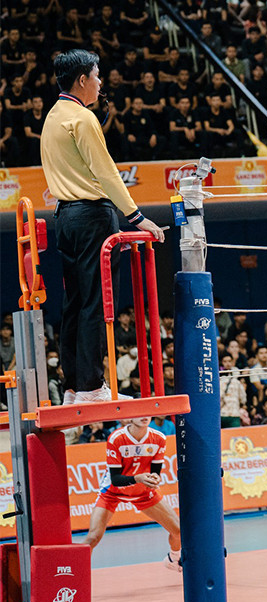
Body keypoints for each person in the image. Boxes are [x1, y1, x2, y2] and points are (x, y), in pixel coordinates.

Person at [41, 50, 165, 404]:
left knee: (75, 303)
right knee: (95, 302)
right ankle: (93, 387)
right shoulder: (82, 118)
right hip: (93, 216)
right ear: (82, 80)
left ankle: (74, 387)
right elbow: (108, 174)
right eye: (97, 76)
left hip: (65, 219)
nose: (100, 83)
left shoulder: (53, 116)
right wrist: (138, 218)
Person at [83, 405, 181, 572]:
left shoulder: (159, 438)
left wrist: (154, 478)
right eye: (139, 412)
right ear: (129, 417)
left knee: (178, 531)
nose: (145, 416)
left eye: (147, 412)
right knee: (93, 537)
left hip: (143, 493)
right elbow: (115, 480)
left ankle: (174, 559)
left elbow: (155, 472)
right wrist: (138, 478)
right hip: (112, 493)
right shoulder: (116, 438)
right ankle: (75, 573)